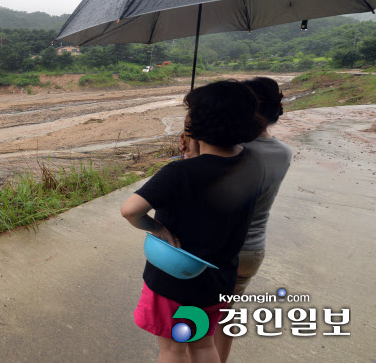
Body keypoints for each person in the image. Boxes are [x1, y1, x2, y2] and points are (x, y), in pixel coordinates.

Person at [121, 80, 266, 363]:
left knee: (173, 348)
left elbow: (131, 210)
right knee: (201, 344)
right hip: (219, 278)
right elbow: (211, 185)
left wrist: (157, 227)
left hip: (175, 279)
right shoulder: (254, 163)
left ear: (198, 121)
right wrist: (194, 155)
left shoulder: (179, 173)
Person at [213, 77, 292, 363]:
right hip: (253, 250)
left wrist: (194, 149)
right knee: (226, 315)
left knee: (197, 321)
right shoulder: (284, 153)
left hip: (219, 250)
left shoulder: (232, 150)